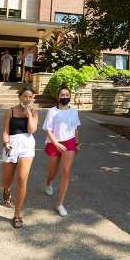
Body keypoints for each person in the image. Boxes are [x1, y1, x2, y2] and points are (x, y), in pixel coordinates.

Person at [1, 86, 39, 229]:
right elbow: (5, 131)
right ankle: (6, 190)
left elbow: (32, 130)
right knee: (6, 181)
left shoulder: (34, 113)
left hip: (27, 146)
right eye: (25, 96)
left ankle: (17, 215)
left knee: (22, 178)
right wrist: (6, 143)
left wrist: (29, 115)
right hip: (11, 145)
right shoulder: (10, 111)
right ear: (20, 97)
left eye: (30, 97)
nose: (27, 99)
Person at [43, 86, 81, 217]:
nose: (65, 97)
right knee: (52, 172)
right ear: (58, 97)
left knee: (65, 172)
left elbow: (75, 129)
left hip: (69, 142)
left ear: (70, 96)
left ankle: (59, 204)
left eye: (67, 95)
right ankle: (48, 182)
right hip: (54, 142)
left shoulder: (74, 111)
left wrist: (77, 143)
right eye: (62, 95)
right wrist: (56, 143)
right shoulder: (52, 111)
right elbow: (48, 129)